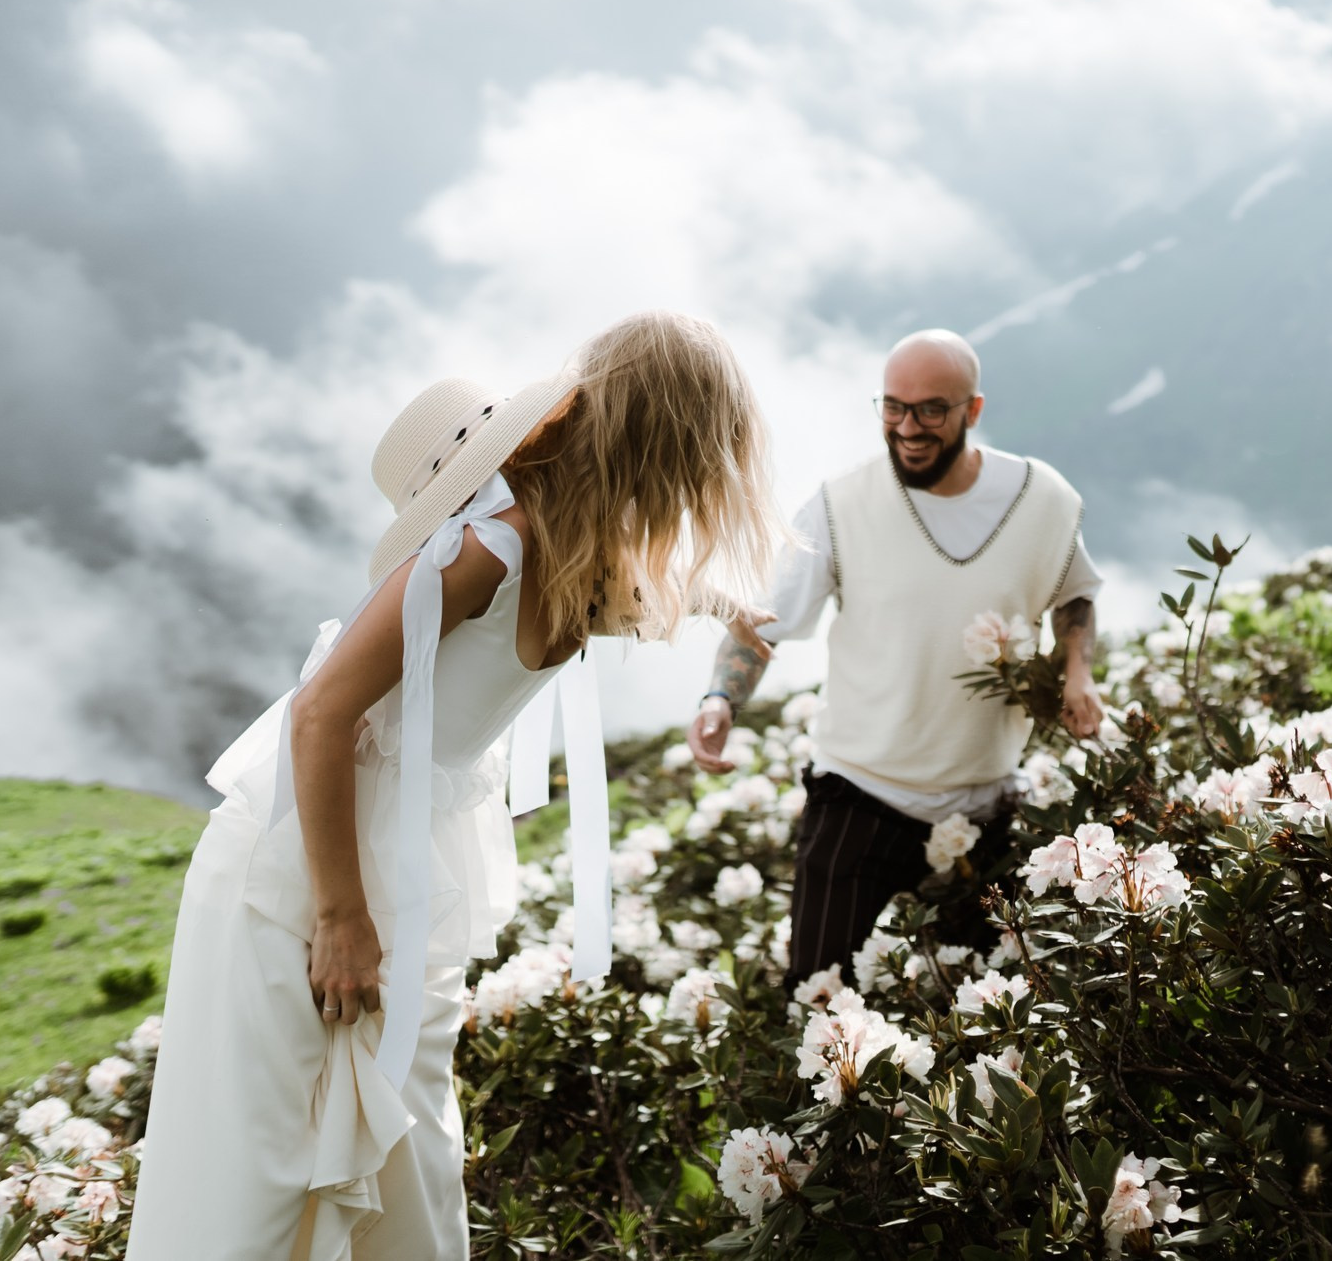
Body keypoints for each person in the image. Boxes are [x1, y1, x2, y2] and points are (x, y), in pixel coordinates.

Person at [130, 312, 784, 1261]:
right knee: (264, 1169)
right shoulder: (485, 551)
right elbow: (318, 716)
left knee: (410, 1153)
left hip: (402, 865)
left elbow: (649, 599)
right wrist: (341, 917)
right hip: (304, 874)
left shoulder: (574, 553)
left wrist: (730, 606)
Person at [689, 328, 1101, 980]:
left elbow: (1072, 593)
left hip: (989, 805)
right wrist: (721, 698)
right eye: (891, 406)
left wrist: (1077, 671)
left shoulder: (1042, 500)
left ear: (973, 410)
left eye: (930, 409)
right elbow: (763, 623)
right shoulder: (838, 505)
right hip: (859, 795)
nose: (907, 427)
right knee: (817, 996)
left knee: (1001, 1007)